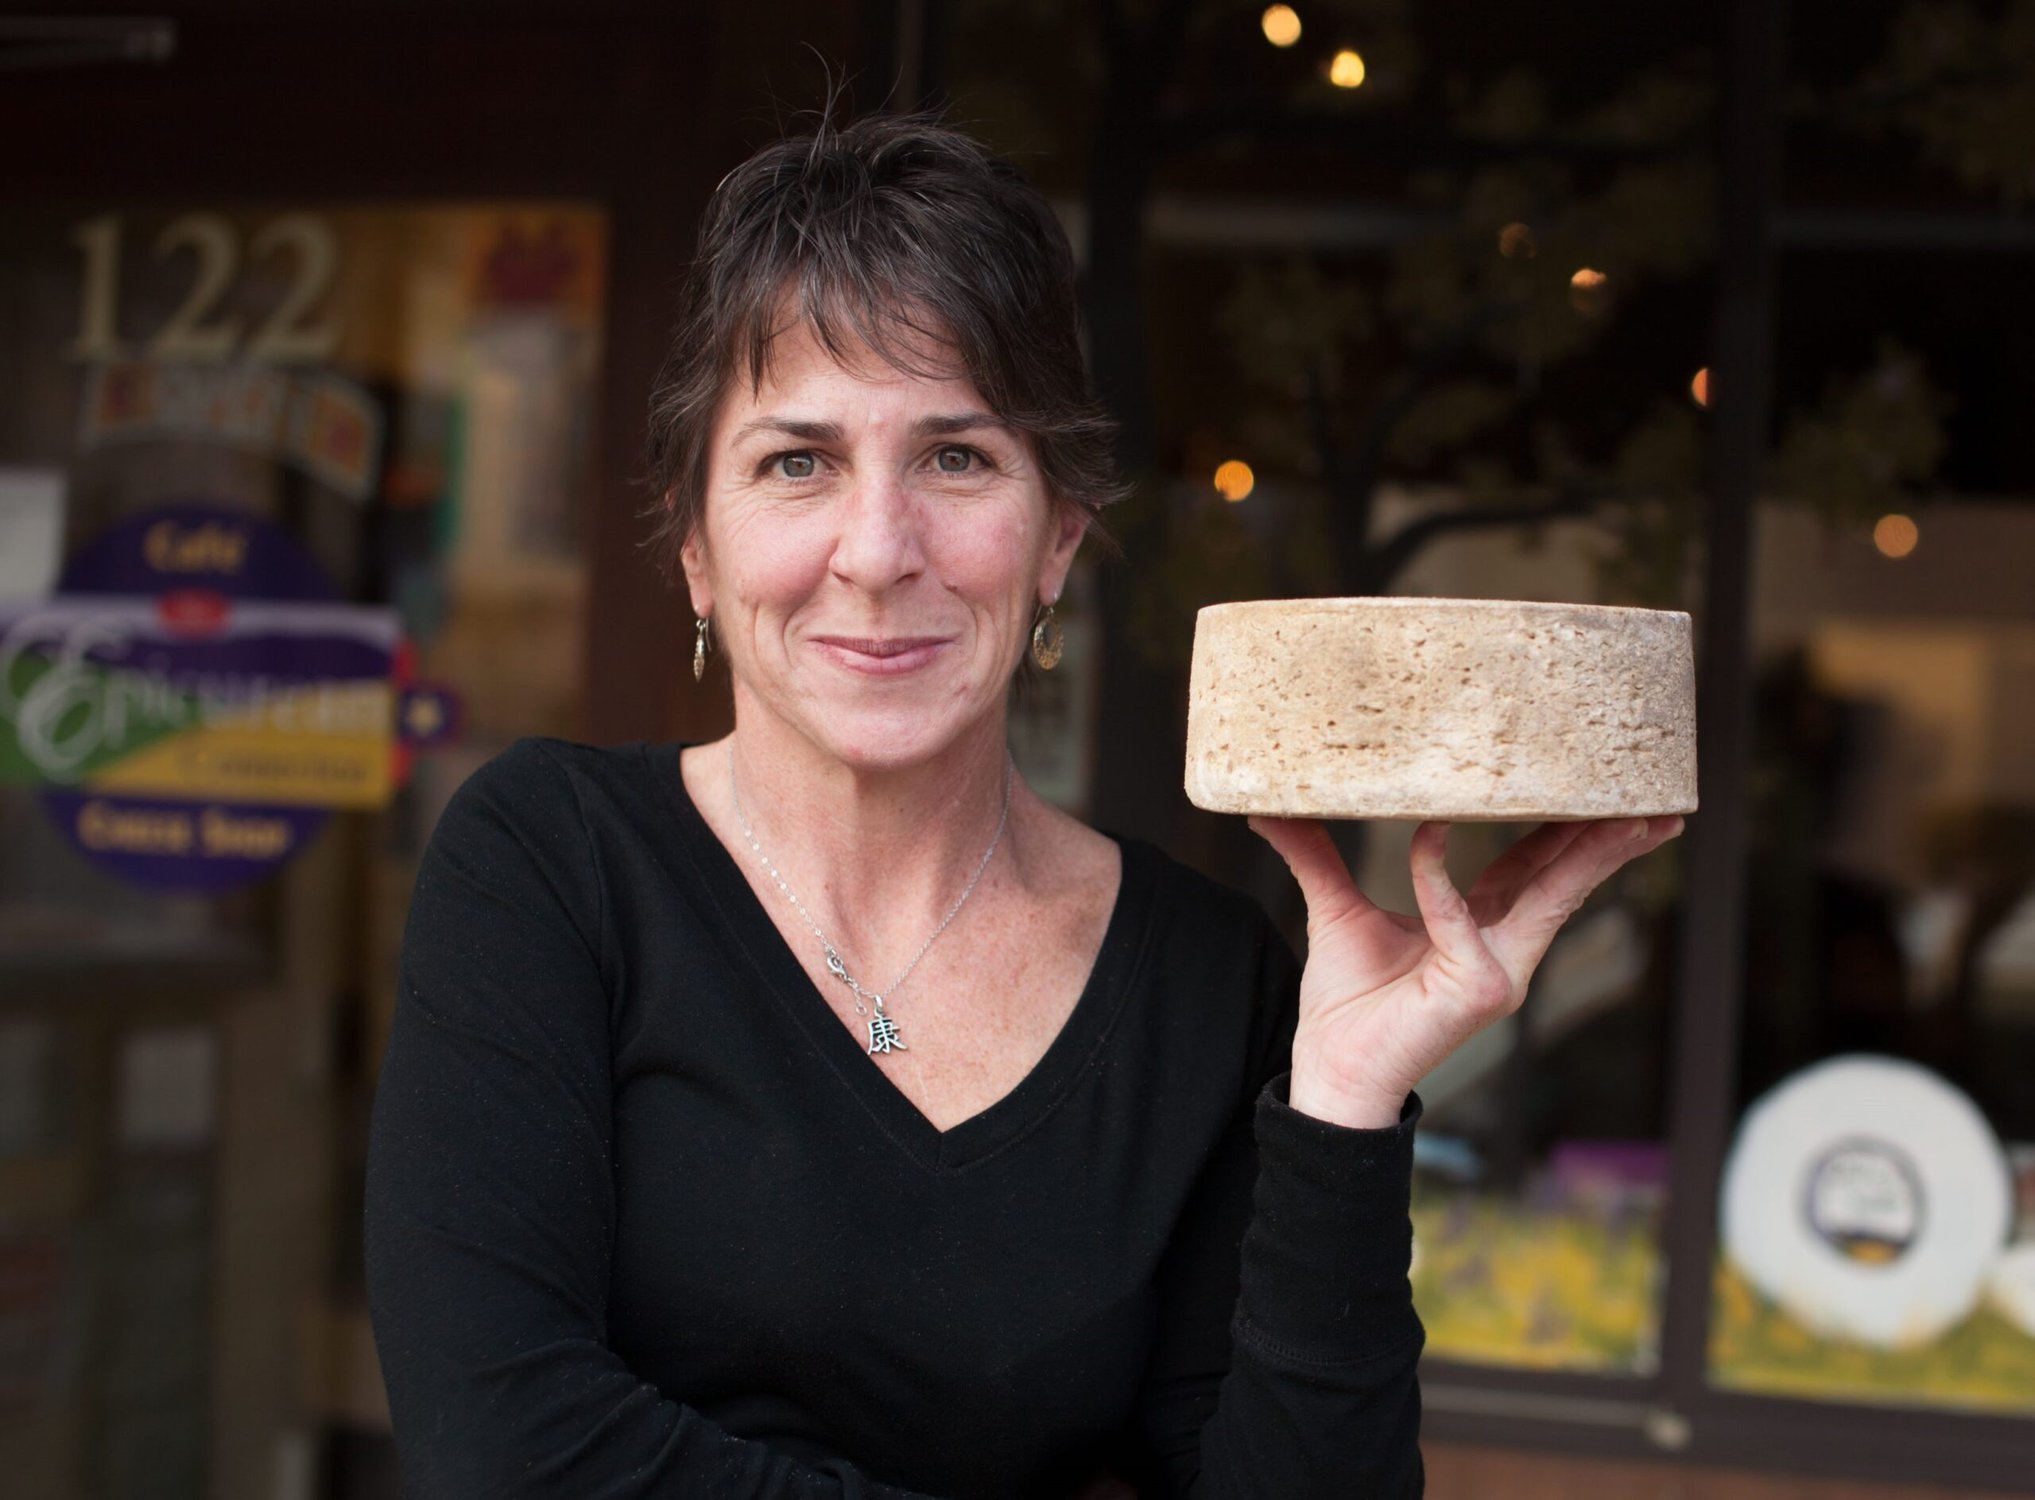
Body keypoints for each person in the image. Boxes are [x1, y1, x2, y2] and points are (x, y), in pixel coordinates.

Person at [363, 111, 1684, 1498]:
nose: (876, 551)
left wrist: (1346, 1101)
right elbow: (503, 1448)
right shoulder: (551, 868)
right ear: (697, 548)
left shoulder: (1207, 984)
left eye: (956, 458)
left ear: (1058, 540)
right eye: (795, 461)